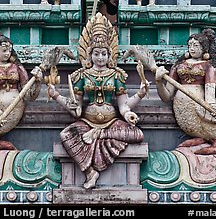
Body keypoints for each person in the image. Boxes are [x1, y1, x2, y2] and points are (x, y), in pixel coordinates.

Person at [47, 12, 147, 189]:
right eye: (96, 54)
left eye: (103, 54)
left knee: (137, 134)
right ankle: (90, 173)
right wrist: (56, 96)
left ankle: (100, 135)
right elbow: (75, 109)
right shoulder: (81, 76)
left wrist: (135, 102)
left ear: (110, 55)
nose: (100, 58)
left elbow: (123, 106)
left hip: (111, 123)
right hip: (87, 122)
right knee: (66, 135)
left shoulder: (116, 75)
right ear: (89, 54)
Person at [0, 31, 43, 149]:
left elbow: (29, 95)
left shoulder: (17, 67)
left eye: (9, 50)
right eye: (4, 51)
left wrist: (38, 82)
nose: (8, 53)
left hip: (16, 108)